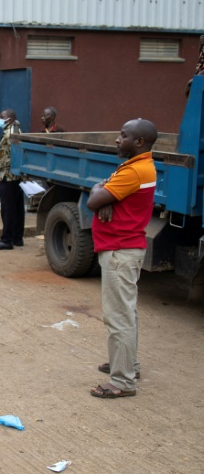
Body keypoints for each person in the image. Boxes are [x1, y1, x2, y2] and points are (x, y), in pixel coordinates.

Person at [86, 119, 157, 399]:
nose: (117, 139)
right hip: (124, 248)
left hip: (119, 251)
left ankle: (123, 381)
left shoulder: (134, 170)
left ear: (139, 142)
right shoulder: (139, 166)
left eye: (123, 136)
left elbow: (93, 200)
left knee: (119, 317)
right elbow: (103, 193)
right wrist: (106, 197)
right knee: (127, 313)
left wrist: (100, 196)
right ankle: (128, 365)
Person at [0, 109, 25, 250]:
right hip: (15, 176)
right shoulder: (16, 131)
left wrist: (4, 171)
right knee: (17, 208)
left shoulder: (10, 134)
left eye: (1, 117)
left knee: (7, 209)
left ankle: (6, 240)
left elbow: (13, 155)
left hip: (8, 176)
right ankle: (17, 238)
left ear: (9, 119)